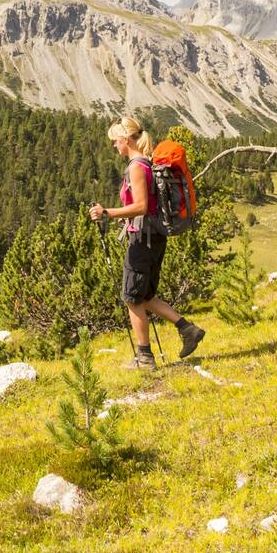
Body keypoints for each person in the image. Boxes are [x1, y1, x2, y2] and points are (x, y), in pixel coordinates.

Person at [87, 116, 205, 370]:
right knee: (145, 295)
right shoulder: (145, 164)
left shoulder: (137, 167)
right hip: (153, 237)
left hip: (144, 239)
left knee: (132, 297)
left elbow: (140, 206)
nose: (114, 146)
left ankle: (144, 358)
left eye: (115, 141)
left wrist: (107, 212)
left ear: (126, 139)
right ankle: (188, 329)